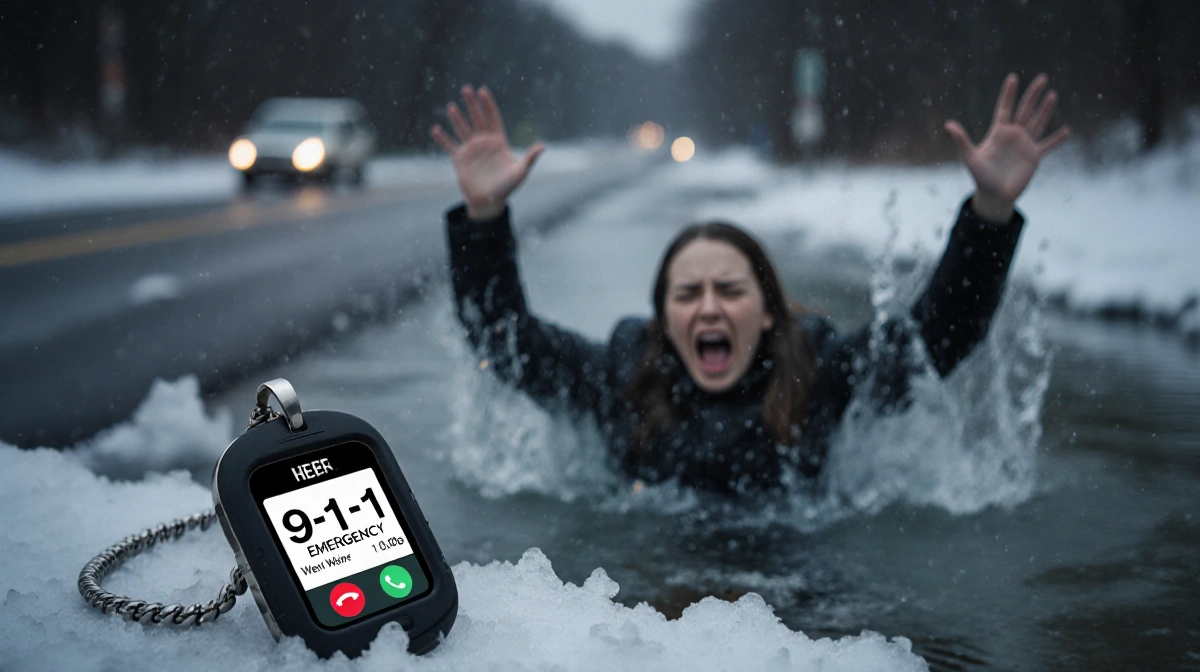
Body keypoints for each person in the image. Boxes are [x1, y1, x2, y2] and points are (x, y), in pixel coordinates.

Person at [432, 75, 1069, 494]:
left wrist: (988, 215)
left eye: (730, 291)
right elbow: (504, 339)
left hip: (795, 593)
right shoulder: (620, 377)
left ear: (767, 312)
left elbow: (941, 335)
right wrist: (485, 217)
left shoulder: (821, 372)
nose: (709, 306)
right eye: (687, 295)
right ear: (662, 319)